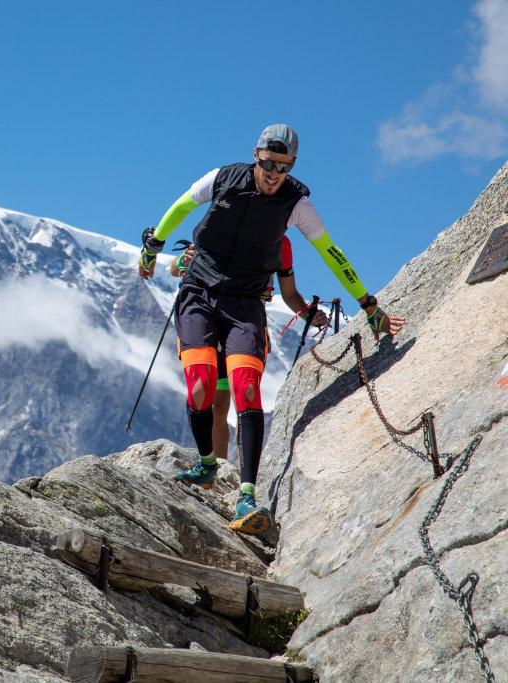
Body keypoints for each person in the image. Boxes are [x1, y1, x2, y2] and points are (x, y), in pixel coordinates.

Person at [139, 124, 405, 534]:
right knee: (201, 386)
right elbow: (180, 206)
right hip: (198, 292)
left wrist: (368, 305)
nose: (272, 173)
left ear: (292, 165)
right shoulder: (224, 178)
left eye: (282, 167)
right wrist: (153, 245)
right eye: (267, 163)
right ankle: (207, 464)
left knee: (245, 389)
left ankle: (246, 496)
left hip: (245, 305)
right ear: (256, 155)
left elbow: (332, 253)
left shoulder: (297, 204)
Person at [170, 238, 328, 466]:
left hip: (244, 328)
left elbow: (289, 292)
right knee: (218, 405)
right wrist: (183, 260)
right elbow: (176, 267)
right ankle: (220, 472)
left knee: (243, 401)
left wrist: (307, 315)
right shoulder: (224, 226)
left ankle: (240, 477)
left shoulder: (280, 243)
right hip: (214, 326)